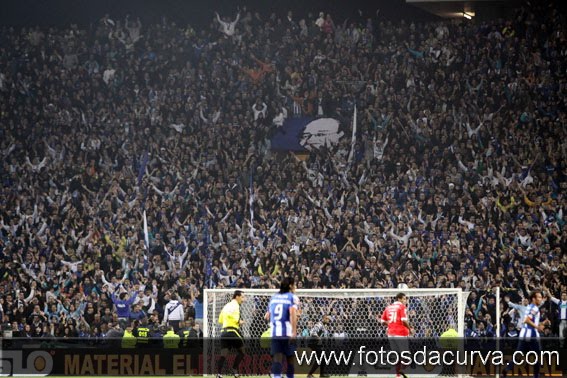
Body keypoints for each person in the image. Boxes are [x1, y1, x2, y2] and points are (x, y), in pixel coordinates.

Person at [502, 290, 550, 378]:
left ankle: (506, 371)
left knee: (518, 356)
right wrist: (538, 327)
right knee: (536, 357)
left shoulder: (530, 307)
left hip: (524, 335)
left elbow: (531, 320)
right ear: (533, 299)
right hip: (531, 336)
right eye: (538, 298)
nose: (540, 300)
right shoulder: (531, 308)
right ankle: (536, 376)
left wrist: (542, 323)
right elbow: (527, 320)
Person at [265, 277, 300, 378]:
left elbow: (267, 316)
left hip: (275, 332)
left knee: (277, 357)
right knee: (290, 358)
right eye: (294, 285)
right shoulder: (292, 297)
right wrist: (294, 332)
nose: (295, 287)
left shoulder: (274, 297)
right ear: (290, 286)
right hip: (287, 332)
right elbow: (293, 314)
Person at [379, 293, 412, 378]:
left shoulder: (388, 307)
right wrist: (410, 329)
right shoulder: (401, 307)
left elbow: (382, 321)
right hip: (400, 333)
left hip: (391, 333)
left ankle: (397, 375)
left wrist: (390, 324)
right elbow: (404, 320)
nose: (405, 301)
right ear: (399, 299)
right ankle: (402, 370)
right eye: (404, 299)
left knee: (397, 354)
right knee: (405, 354)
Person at [217, 290, 246, 378]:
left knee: (223, 354)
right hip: (232, 331)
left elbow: (220, 320)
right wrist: (238, 321)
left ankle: (219, 374)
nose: (244, 299)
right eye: (242, 297)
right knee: (242, 351)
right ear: (237, 296)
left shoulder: (226, 305)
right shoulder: (235, 305)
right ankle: (234, 370)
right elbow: (231, 315)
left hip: (224, 332)